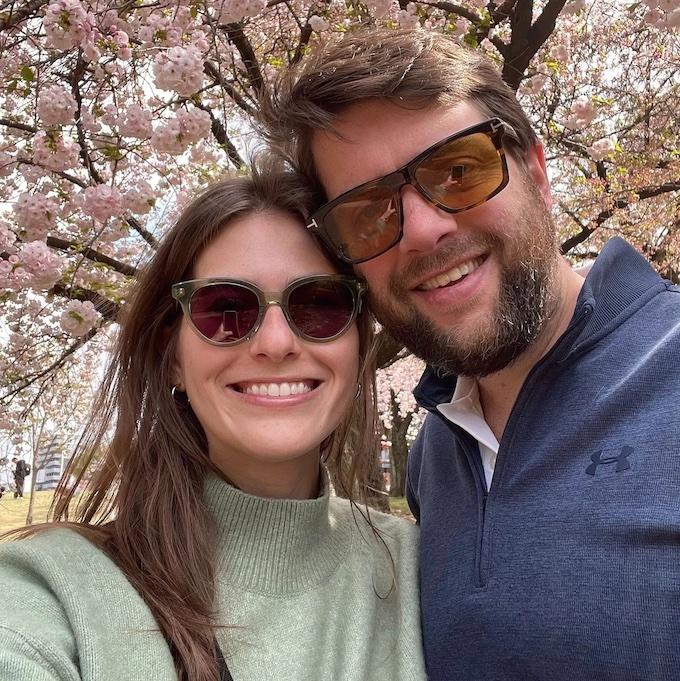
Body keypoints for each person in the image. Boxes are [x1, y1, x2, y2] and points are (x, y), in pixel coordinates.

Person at [261, 27, 680, 681]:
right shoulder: (436, 453)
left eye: (459, 170)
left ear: (537, 170)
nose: (425, 229)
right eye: (368, 214)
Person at [0, 161, 426, 681]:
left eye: (319, 305)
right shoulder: (53, 595)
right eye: (225, 310)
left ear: (358, 342)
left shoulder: (426, 573)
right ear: (173, 357)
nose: (275, 343)